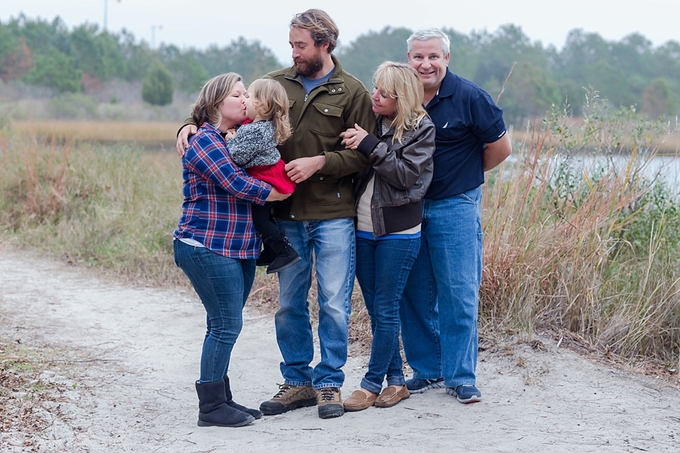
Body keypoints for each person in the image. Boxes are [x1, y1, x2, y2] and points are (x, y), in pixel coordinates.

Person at [176, 9, 375, 419]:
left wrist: (322, 162)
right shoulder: (275, 83)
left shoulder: (352, 91)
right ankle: (297, 381)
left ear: (325, 44)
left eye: (301, 45)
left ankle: (328, 385)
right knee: (288, 304)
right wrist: (185, 126)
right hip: (284, 215)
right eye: (291, 44)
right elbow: (220, 112)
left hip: (333, 212)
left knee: (335, 303)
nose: (294, 52)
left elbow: (364, 154)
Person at [400, 28, 512, 404]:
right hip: (409, 207)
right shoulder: (402, 96)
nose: (425, 64)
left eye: (433, 56)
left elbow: (501, 148)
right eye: (418, 57)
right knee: (414, 292)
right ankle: (427, 370)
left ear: (447, 58)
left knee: (459, 293)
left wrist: (466, 178)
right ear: (409, 60)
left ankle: (461, 377)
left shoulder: (470, 97)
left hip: (455, 205)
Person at [173, 73, 289, 427]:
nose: (244, 100)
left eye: (246, 95)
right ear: (215, 103)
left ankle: (220, 398)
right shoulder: (205, 141)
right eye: (237, 95)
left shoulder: (233, 138)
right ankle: (210, 408)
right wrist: (279, 191)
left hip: (238, 247)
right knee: (226, 325)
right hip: (206, 244)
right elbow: (236, 183)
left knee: (221, 324)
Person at [339, 61, 436, 411]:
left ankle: (369, 383)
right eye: (375, 87)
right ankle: (396, 382)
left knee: (385, 305)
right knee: (379, 310)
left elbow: (406, 176)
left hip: (399, 231)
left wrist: (368, 145)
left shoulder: (422, 128)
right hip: (362, 228)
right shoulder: (371, 120)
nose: (374, 95)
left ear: (403, 97)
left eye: (383, 92)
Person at [223, 78, 300, 274]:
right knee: (264, 216)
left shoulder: (258, 130)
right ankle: (272, 250)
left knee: (260, 219)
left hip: (267, 178)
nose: (244, 100)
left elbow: (237, 157)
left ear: (261, 104)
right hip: (266, 175)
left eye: (248, 96)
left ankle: (284, 251)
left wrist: (230, 140)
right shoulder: (257, 126)